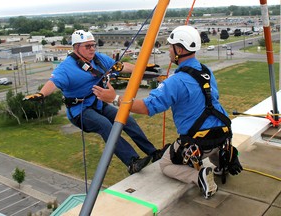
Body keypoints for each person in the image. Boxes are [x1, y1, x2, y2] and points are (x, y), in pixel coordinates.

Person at [92, 25, 242, 199]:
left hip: (199, 142)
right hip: (223, 134)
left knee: (166, 164)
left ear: (179, 49)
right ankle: (222, 162)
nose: (168, 50)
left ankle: (198, 176)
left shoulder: (175, 81)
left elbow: (147, 107)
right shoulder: (206, 71)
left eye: (170, 46)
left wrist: (114, 99)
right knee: (213, 144)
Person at [24, 30, 163, 175]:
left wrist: (142, 68)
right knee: (105, 125)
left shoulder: (98, 59)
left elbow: (121, 67)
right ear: (76, 47)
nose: (92, 49)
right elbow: (53, 82)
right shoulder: (66, 67)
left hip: (97, 104)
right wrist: (41, 94)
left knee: (127, 119)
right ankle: (132, 162)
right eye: (88, 46)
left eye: (93, 45)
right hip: (80, 111)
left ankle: (153, 153)